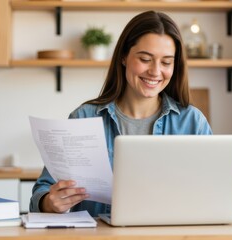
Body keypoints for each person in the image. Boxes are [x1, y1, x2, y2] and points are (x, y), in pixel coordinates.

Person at [30, 11, 212, 217]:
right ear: (124, 56)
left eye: (166, 62)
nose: (155, 71)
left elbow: (213, 192)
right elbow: (43, 190)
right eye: (145, 59)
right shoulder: (84, 118)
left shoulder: (192, 122)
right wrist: (49, 202)